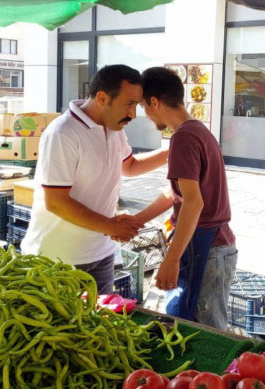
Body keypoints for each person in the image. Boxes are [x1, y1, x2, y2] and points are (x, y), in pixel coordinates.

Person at [21, 65, 169, 294]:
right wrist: (111, 226)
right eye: (129, 104)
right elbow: (56, 201)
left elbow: (128, 167)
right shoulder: (62, 133)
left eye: (136, 105)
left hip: (101, 254)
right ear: (102, 98)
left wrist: (171, 153)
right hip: (58, 258)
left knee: (96, 324)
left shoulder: (115, 127)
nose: (133, 114)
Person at [134, 67, 237, 330]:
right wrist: (137, 220)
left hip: (207, 248)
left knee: (206, 334)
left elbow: (194, 202)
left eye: (144, 106)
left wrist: (171, 260)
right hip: (215, 247)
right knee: (196, 327)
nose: (145, 114)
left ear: (154, 102)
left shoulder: (183, 138)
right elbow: (178, 193)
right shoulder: (197, 131)